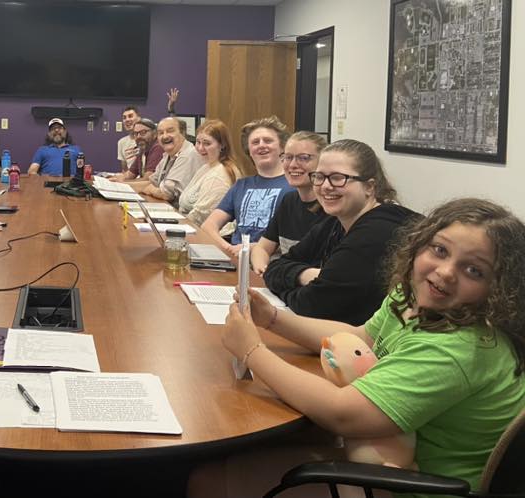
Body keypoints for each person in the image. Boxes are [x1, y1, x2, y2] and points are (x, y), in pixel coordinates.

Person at [222, 197, 525, 493]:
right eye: (440, 250)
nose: (445, 272)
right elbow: (359, 337)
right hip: (386, 460)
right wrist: (272, 318)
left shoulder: (458, 348)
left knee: (213, 479)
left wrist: (252, 352)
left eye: (474, 270)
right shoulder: (412, 298)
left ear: (497, 287)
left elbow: (342, 413)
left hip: (408, 484)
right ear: (420, 243)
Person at [263, 139, 418, 325]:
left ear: (369, 187)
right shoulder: (336, 221)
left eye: (337, 178)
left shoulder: (378, 232)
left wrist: (293, 284)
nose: (326, 186)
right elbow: (275, 267)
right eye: (319, 177)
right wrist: (306, 275)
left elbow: (312, 306)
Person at [201, 116, 295, 260]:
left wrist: (253, 249)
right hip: (236, 259)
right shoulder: (241, 186)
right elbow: (209, 226)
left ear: (282, 147)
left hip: (270, 263)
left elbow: (293, 242)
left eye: (268, 141)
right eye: (255, 142)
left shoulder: (294, 187)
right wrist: (229, 249)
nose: (261, 145)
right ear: (249, 150)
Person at [251, 131, 330, 274]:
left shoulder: (331, 208)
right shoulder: (289, 201)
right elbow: (261, 248)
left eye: (304, 158)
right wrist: (262, 270)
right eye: (288, 157)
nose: (293, 165)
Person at [177, 119, 244, 229]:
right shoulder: (207, 166)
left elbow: (200, 217)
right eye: (198, 142)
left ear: (222, 145)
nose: (200, 148)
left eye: (207, 143)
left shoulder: (220, 173)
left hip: (203, 236)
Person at [131, 117, 202, 204]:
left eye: (170, 131)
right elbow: (153, 181)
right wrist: (120, 187)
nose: (165, 136)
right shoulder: (168, 155)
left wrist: (149, 189)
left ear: (183, 133)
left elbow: (166, 194)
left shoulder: (188, 155)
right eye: (161, 133)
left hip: (184, 213)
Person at [110, 118, 163, 182]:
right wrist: (110, 179)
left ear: (155, 134)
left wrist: (122, 182)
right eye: (135, 134)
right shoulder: (142, 150)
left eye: (143, 132)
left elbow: (147, 180)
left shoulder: (158, 148)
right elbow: (130, 174)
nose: (138, 137)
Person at [117, 107, 141, 173]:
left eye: (130, 116)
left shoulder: (147, 139)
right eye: (124, 118)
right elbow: (124, 170)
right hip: (130, 179)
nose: (127, 120)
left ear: (139, 118)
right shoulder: (121, 142)